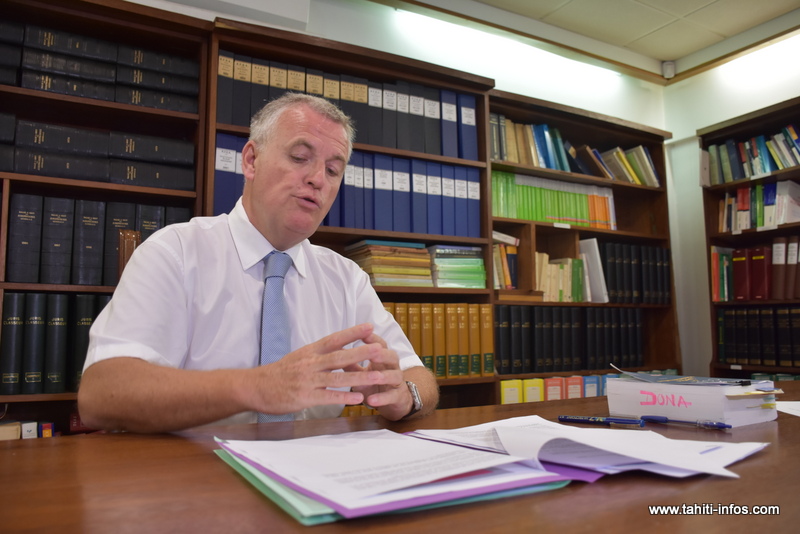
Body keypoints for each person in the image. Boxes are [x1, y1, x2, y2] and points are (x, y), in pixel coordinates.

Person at [78, 93, 439, 433]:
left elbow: (418, 375)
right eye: (300, 157)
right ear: (251, 160)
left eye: (333, 170)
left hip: (314, 476)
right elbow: (101, 392)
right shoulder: (176, 252)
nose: (317, 179)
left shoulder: (346, 279)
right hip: (194, 477)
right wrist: (255, 386)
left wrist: (406, 396)